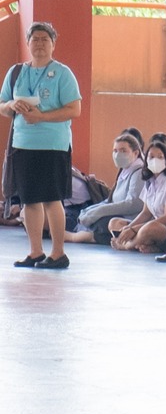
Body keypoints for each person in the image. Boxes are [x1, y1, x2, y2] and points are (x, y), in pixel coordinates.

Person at [3, 21, 83, 269]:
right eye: (34, 39)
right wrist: (11, 106)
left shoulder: (62, 73)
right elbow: (3, 104)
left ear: (53, 44)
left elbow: (75, 109)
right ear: (27, 43)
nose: (39, 43)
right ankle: (35, 252)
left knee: (51, 199)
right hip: (22, 144)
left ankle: (58, 253)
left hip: (53, 145)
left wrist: (42, 117)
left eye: (44, 39)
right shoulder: (16, 72)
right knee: (29, 200)